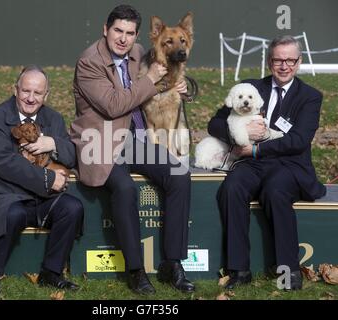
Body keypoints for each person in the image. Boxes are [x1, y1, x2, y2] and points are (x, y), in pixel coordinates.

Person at [70, 4, 195, 294]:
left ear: (137, 35)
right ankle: (136, 270)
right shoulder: (89, 62)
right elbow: (114, 105)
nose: (123, 39)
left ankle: (172, 263)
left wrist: (186, 88)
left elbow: (172, 72)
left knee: (179, 174)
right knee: (125, 189)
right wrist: (150, 79)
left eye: (129, 33)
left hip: (135, 141)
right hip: (100, 144)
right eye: (118, 31)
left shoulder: (139, 53)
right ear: (105, 29)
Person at [209, 35, 326, 290]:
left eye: (290, 60)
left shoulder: (310, 97)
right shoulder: (250, 88)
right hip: (251, 164)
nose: (284, 66)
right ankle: (239, 269)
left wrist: (254, 148)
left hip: (289, 165)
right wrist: (239, 135)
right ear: (269, 61)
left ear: (299, 62)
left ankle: (288, 270)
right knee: (232, 187)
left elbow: (298, 140)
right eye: (278, 60)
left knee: (275, 191)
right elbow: (215, 123)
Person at [0, 65, 84, 295]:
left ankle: (52, 273)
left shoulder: (53, 118)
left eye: (37, 93)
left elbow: (72, 155)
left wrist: (52, 143)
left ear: (46, 95)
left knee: (72, 208)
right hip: (4, 194)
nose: (31, 98)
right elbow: (4, 164)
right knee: (12, 213)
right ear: (15, 90)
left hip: (41, 199)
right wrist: (47, 178)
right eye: (26, 91)